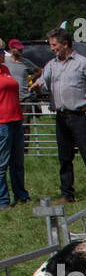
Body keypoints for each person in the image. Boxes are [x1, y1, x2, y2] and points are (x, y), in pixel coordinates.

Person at [28, 28, 86, 204]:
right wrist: (38, 87)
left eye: (54, 45)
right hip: (61, 116)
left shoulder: (82, 63)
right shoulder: (52, 64)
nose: (52, 48)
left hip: (80, 116)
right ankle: (67, 194)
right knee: (64, 157)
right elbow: (43, 83)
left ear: (65, 44)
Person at [0, 40, 31, 208]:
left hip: (15, 120)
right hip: (2, 122)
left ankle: (21, 195)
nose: (3, 54)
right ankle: (3, 200)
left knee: (17, 162)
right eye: (0, 51)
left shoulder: (5, 69)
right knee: (2, 163)